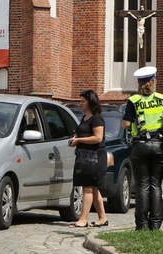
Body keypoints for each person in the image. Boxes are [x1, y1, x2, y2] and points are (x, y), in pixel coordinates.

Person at [122, 67, 163, 231]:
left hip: (141, 146)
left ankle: (142, 224)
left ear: (139, 84)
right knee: (156, 184)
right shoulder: (162, 99)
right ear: (154, 81)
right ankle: (156, 223)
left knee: (142, 185)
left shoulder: (134, 101)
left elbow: (126, 124)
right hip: (159, 145)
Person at [68, 90, 108, 228]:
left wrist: (79, 140)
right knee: (94, 189)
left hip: (95, 157)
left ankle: (83, 219)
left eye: (83, 101)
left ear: (91, 102)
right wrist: (76, 139)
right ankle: (102, 218)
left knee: (88, 188)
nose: (81, 104)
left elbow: (98, 138)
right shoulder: (85, 117)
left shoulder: (97, 118)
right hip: (84, 157)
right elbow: (84, 134)